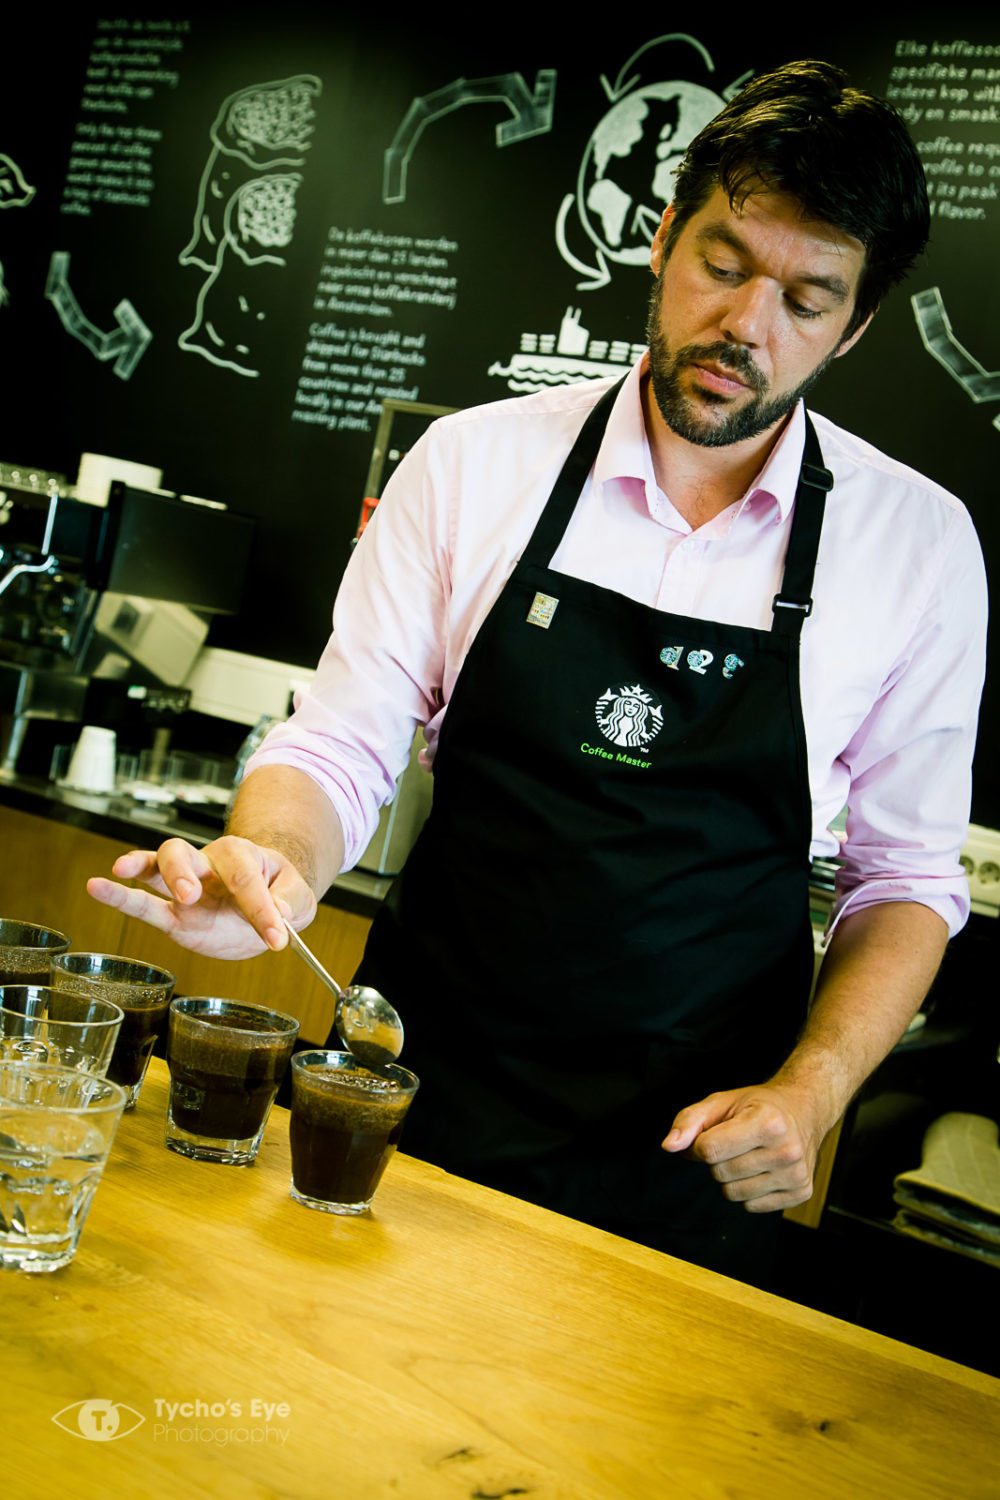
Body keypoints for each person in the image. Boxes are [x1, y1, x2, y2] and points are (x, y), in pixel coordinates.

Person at [89, 60, 987, 1285]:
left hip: (690, 1156)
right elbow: (339, 743)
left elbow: (906, 878)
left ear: (857, 323)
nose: (747, 326)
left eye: (806, 299)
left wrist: (814, 1087)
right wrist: (275, 864)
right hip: (408, 1097)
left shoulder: (917, 547)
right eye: (723, 264)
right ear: (662, 239)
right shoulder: (473, 466)